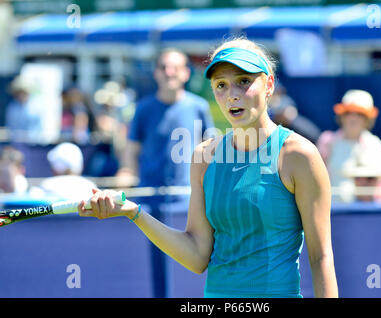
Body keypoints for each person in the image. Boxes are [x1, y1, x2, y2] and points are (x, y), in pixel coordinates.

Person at [78, 38, 338, 298]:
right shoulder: (204, 157)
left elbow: (321, 256)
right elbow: (197, 255)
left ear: (269, 84)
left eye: (244, 81)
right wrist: (134, 213)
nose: (232, 94)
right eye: (221, 85)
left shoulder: (299, 155)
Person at [115, 48, 214, 297]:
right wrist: (126, 173)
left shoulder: (199, 107)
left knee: (186, 272)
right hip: (149, 205)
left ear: (185, 73)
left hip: (188, 203)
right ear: (157, 73)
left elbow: (211, 148)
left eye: (175, 67)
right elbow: (132, 150)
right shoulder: (144, 109)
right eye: (164, 67)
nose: (169, 72)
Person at [316, 89, 381, 203]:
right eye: (348, 113)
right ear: (342, 116)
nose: (353, 118)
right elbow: (315, 177)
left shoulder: (374, 143)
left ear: (367, 119)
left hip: (367, 215)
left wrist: (377, 197)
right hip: (334, 212)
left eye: (360, 114)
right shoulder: (328, 141)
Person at [5, 76, 44, 143]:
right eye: (18, 92)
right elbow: (10, 126)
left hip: (33, 143)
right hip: (16, 143)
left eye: (23, 92)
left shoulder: (36, 106)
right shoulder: (12, 107)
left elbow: (38, 129)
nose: (21, 95)